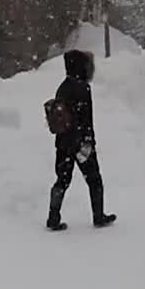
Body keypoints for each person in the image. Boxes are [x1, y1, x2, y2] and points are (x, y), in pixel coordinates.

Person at [48, 49, 116, 231]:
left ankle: (53, 217)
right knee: (94, 179)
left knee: (62, 180)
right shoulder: (83, 88)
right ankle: (98, 216)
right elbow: (87, 118)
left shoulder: (62, 86)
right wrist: (89, 141)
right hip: (80, 143)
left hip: (62, 142)